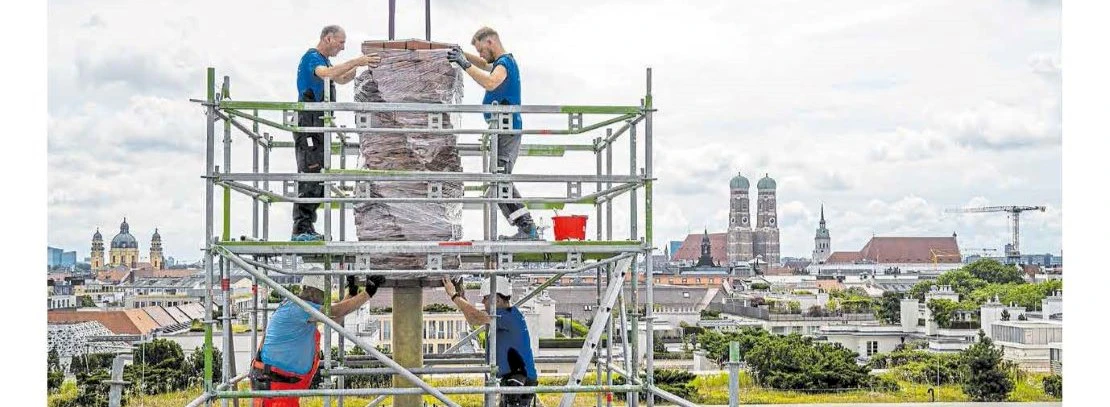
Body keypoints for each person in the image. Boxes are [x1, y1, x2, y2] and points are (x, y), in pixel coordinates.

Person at [447, 27, 539, 240]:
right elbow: (485, 65)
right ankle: (525, 227)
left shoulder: (504, 64)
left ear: (490, 42)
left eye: (480, 49)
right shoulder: (501, 63)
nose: (479, 55)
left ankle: (528, 228)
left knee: (499, 180)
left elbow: (490, 81)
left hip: (507, 130)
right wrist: (462, 53)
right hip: (502, 130)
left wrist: (464, 63)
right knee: (498, 181)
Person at [292, 25, 382, 241]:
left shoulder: (325, 61)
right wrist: (357, 61)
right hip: (309, 124)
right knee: (310, 174)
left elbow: (340, 78)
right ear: (328, 38)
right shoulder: (312, 58)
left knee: (318, 176)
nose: (342, 47)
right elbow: (327, 74)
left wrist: (363, 68)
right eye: (341, 42)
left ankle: (306, 228)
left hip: (319, 124)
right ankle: (301, 229)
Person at [249, 274, 385, 407]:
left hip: (280, 384)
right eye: (323, 297)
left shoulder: (300, 310)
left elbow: (332, 319)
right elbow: (334, 311)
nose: (323, 301)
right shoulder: (298, 308)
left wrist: (352, 293)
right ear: (312, 292)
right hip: (274, 386)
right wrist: (368, 292)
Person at [443, 276, 537, 407]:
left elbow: (475, 317)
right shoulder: (508, 315)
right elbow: (473, 318)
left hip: (519, 381)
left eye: (485, 298)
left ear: (497, 300)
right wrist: (461, 296)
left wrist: (453, 295)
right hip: (516, 380)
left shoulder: (507, 316)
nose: (482, 301)